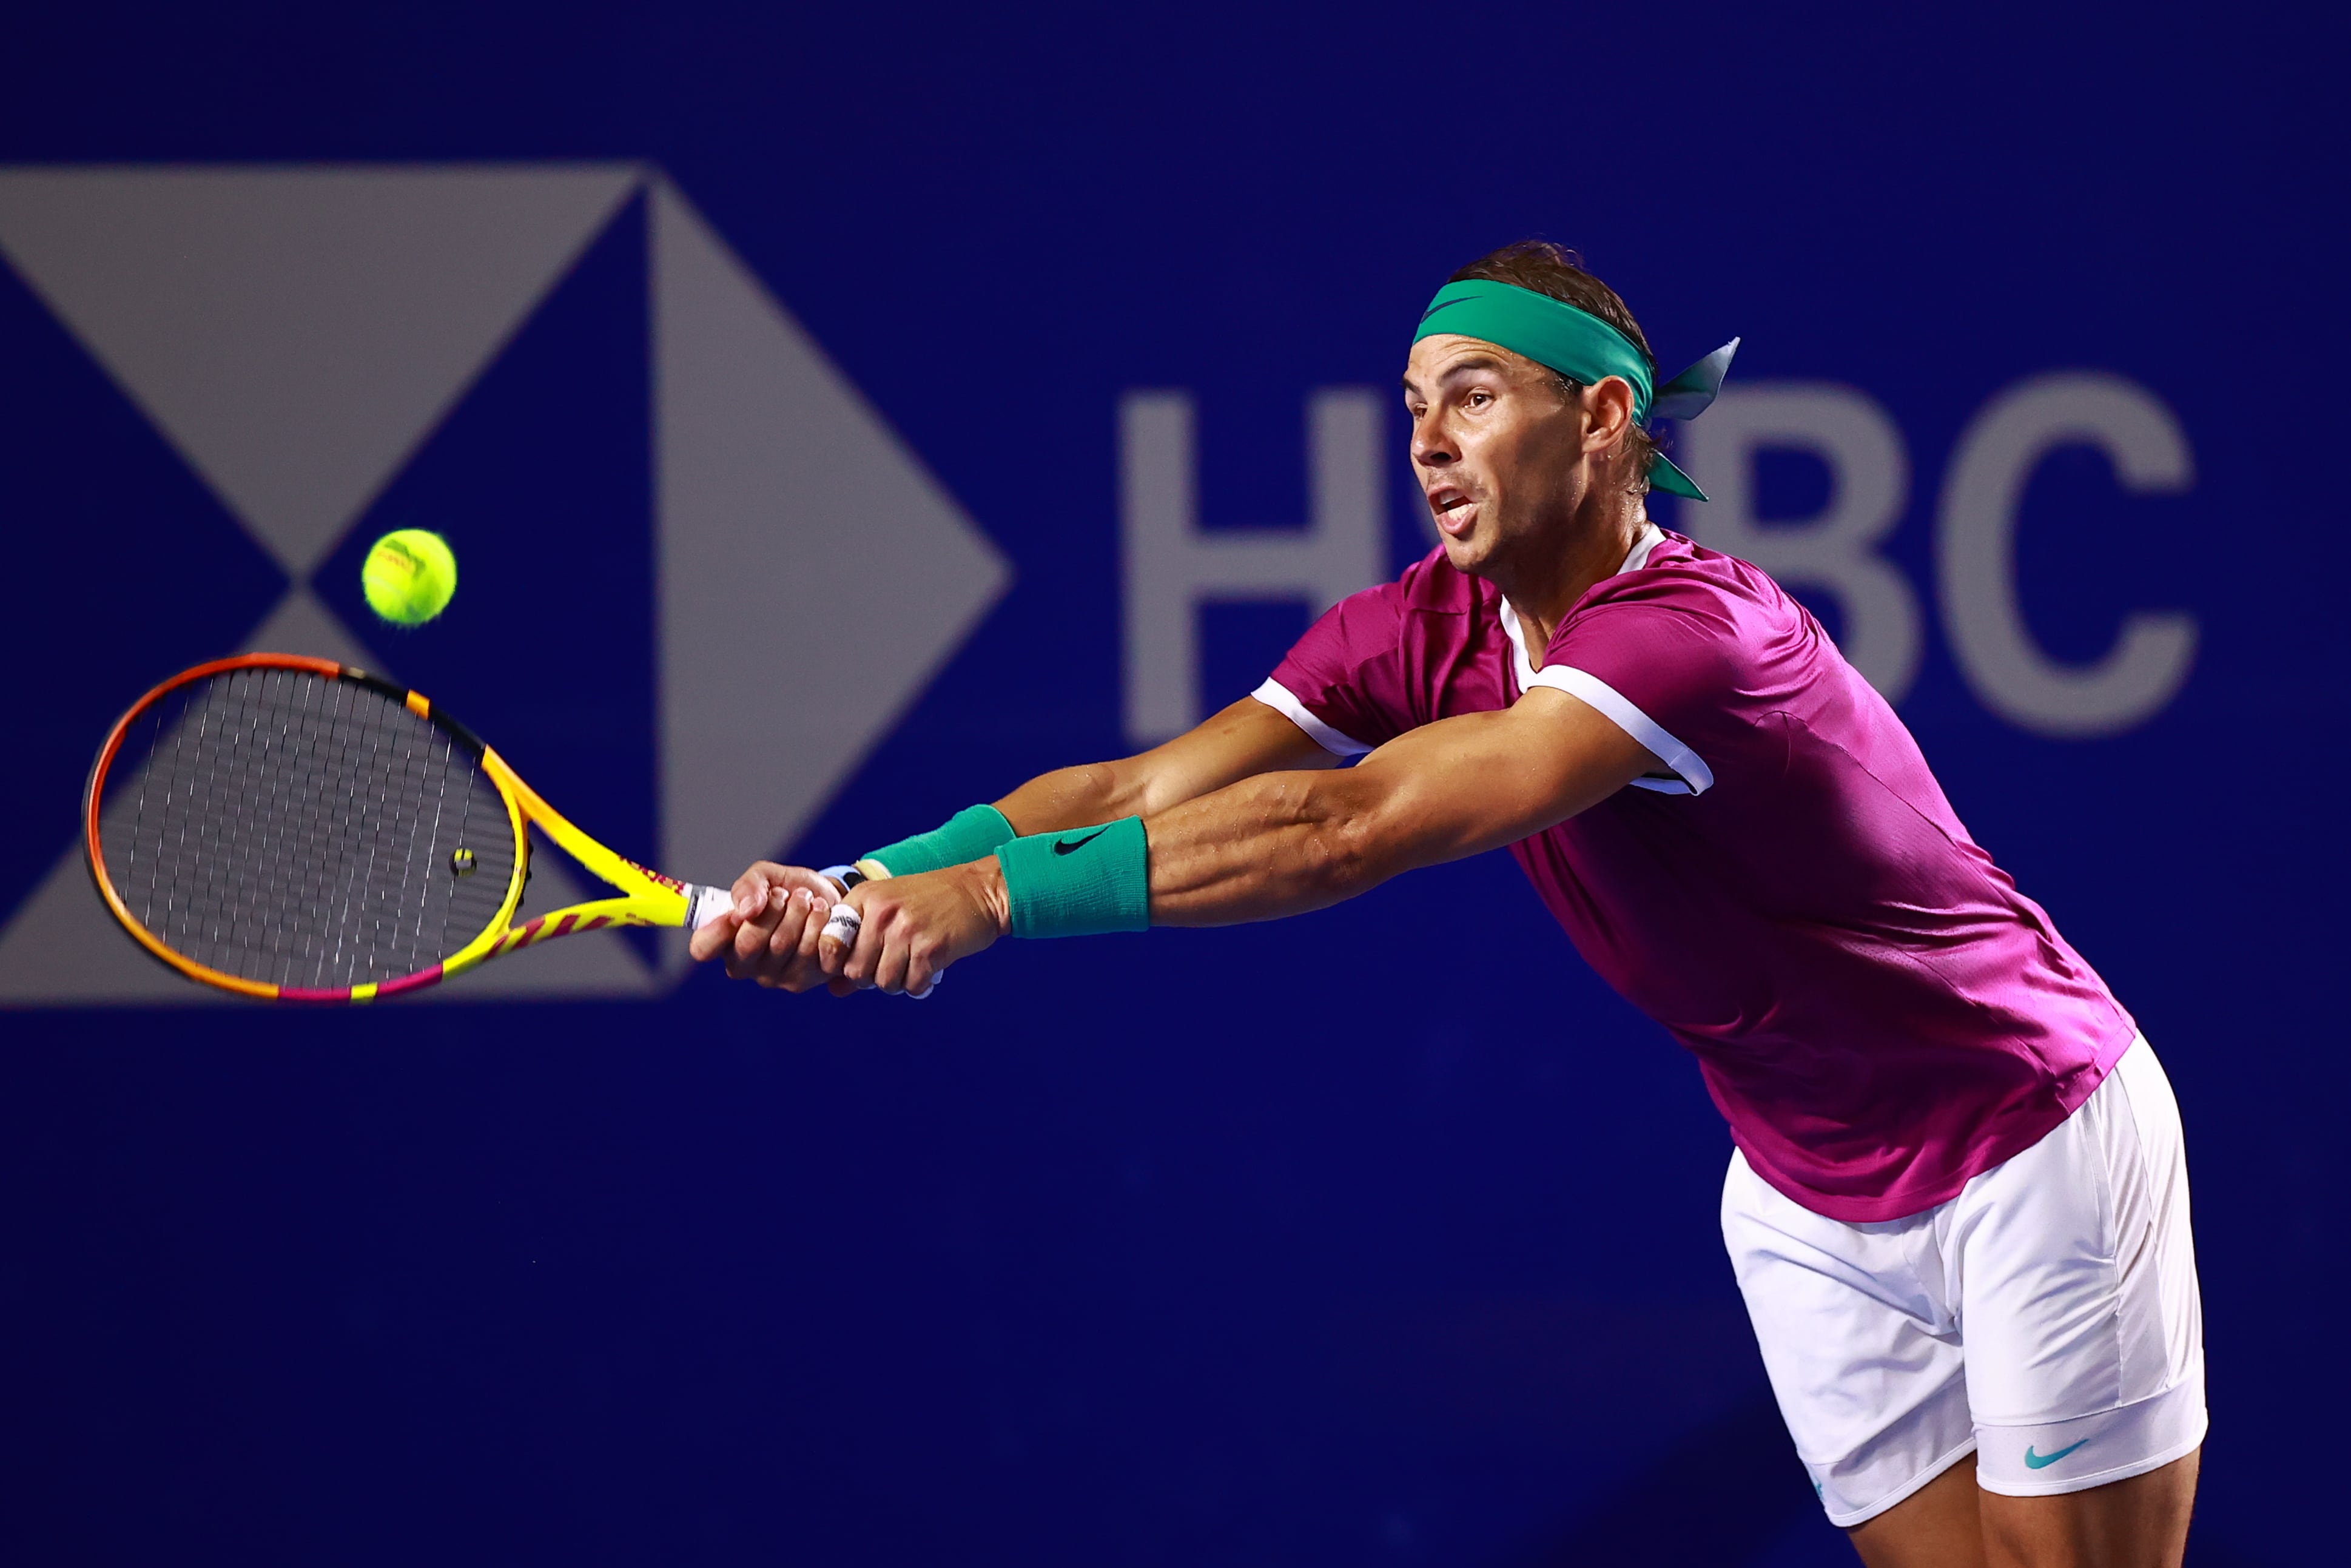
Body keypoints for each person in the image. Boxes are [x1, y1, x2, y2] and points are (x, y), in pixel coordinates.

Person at [688, 241, 2205, 1568]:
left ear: (1604, 416)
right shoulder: (1416, 627)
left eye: (1474, 395)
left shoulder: (1697, 634)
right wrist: (865, 882)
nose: (1426, 443)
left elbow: (1351, 825)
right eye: (1411, 407)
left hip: (2029, 1131)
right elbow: (1144, 792)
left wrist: (992, 907)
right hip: (1805, 1196)